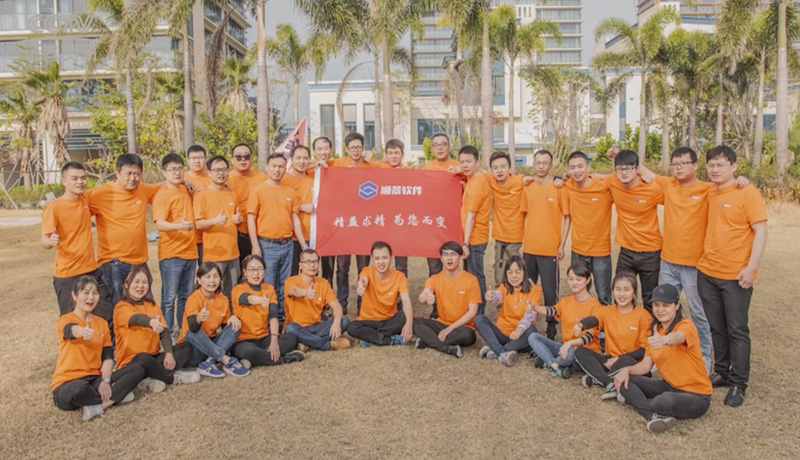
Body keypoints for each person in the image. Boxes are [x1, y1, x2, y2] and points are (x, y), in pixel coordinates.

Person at [635, 146, 749, 372]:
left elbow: (730, 186)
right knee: (663, 310)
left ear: (695, 166)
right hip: (668, 262)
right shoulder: (669, 185)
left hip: (695, 266)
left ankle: (703, 357)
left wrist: (742, 180)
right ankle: (661, 354)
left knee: (699, 314)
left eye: (683, 164)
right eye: (674, 164)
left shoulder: (709, 189)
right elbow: (644, 172)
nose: (678, 168)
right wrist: (621, 156)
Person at [696, 145, 767, 407]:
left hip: (735, 275)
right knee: (716, 327)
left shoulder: (747, 192)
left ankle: (738, 383)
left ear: (734, 167)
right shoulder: (710, 192)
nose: (714, 170)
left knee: (736, 329)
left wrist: (751, 267)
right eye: (711, 165)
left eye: (721, 165)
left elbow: (761, 231)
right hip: (707, 272)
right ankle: (722, 372)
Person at [613, 284, 712, 433]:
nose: (660, 309)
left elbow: (678, 337)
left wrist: (665, 340)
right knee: (626, 379)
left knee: (666, 400)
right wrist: (626, 370)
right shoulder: (655, 331)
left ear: (677, 306)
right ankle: (650, 412)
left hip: (696, 395)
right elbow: (645, 366)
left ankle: (638, 402)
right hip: (669, 386)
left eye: (666, 305)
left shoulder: (686, 326)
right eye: (656, 305)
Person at [51, 276, 142, 422]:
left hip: (94, 379)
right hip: (68, 383)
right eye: (86, 293)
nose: (91, 297)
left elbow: (108, 356)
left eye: (95, 293)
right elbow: (69, 330)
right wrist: (82, 331)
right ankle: (116, 395)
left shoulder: (102, 323)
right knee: (78, 389)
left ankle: (102, 403)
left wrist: (105, 381)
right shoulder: (65, 319)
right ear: (74, 296)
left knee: (137, 369)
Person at [41, 162, 113, 318]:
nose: (80, 182)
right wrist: (50, 241)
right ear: (63, 181)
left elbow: (111, 187)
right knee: (72, 321)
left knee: (107, 316)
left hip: (91, 270)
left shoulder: (85, 198)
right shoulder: (54, 207)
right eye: (74, 178)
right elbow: (44, 241)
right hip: (68, 275)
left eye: (83, 178)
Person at [112, 267, 200, 393]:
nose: (140, 286)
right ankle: (171, 377)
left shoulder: (152, 305)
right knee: (143, 357)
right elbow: (136, 318)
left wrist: (169, 353)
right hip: (132, 362)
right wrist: (151, 322)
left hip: (153, 357)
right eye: (136, 282)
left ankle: (150, 377)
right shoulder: (121, 307)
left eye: (144, 282)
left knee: (186, 347)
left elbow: (164, 332)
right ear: (126, 284)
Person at [89, 153, 161, 305]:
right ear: (117, 173)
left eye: (137, 174)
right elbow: (76, 202)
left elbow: (164, 186)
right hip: (114, 262)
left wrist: (185, 180)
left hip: (139, 261)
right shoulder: (101, 193)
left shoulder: (143, 189)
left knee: (145, 304)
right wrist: (53, 204)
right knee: (119, 305)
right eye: (128, 174)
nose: (133, 178)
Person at [248, 152, 306, 325]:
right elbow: (251, 218)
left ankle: (281, 321)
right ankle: (267, 322)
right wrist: (255, 245)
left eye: (281, 166)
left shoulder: (290, 192)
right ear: (267, 168)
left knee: (283, 285)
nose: (277, 170)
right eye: (274, 166)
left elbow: (295, 219)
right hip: (267, 244)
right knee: (268, 285)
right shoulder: (258, 190)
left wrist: (303, 244)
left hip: (287, 244)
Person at [573, 272, 651, 400]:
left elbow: (643, 350)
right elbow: (595, 319)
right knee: (580, 352)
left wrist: (619, 358)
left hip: (631, 361)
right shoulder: (608, 310)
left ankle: (598, 378)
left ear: (634, 292)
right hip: (610, 360)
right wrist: (582, 325)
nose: (622, 294)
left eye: (626, 290)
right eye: (618, 289)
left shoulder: (643, 316)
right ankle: (608, 382)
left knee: (625, 361)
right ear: (613, 291)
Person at [604, 149, 665, 310]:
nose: (624, 173)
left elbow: (674, 190)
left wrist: (649, 173)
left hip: (651, 252)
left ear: (637, 168)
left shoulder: (652, 188)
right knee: (620, 294)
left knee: (650, 297)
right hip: (626, 252)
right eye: (620, 169)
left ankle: (650, 325)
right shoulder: (613, 181)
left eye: (628, 168)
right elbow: (594, 178)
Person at [520, 149, 570, 340]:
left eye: (545, 163)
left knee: (550, 291)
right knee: (528, 289)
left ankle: (551, 327)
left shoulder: (559, 188)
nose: (541, 166)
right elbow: (526, 216)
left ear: (551, 165)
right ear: (533, 165)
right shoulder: (528, 187)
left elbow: (567, 217)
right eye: (538, 163)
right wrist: (523, 243)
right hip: (530, 249)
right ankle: (527, 325)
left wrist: (562, 244)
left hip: (549, 250)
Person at [523, 262, 602, 378]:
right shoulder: (567, 301)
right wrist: (535, 307)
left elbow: (589, 336)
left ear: (588, 280)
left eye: (578, 279)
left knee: (571, 354)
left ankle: (547, 361)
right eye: (571, 279)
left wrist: (570, 343)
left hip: (583, 352)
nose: (574, 283)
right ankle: (555, 365)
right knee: (533, 337)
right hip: (564, 348)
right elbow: (551, 311)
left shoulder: (595, 306)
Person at [176, 262, 250, 377]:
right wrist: (199, 319)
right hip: (193, 348)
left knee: (235, 325)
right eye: (208, 277)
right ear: (199, 280)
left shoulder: (223, 299)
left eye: (216, 276)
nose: (212, 281)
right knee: (193, 331)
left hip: (210, 346)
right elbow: (193, 328)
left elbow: (226, 329)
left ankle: (209, 362)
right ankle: (225, 360)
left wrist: (234, 318)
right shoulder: (193, 298)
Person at [230, 255, 306, 367]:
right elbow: (247, 298)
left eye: (260, 269)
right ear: (245, 272)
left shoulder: (269, 289)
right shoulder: (238, 289)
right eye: (252, 270)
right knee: (250, 351)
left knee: (291, 339)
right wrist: (261, 300)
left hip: (264, 337)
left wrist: (274, 341)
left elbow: (273, 316)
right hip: (243, 340)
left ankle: (256, 359)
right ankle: (284, 359)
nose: (256, 273)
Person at [153, 153, 198, 339]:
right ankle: (168, 334)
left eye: (180, 169)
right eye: (172, 170)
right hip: (171, 253)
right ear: (164, 173)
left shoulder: (185, 188)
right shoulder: (162, 195)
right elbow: (160, 224)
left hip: (190, 252)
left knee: (186, 296)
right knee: (169, 298)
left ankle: (184, 332)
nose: (177, 173)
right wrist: (180, 226)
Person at [562, 151, 614, 306]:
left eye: (580, 166)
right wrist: (562, 178)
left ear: (588, 167)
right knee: (579, 293)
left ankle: (605, 321)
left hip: (600, 252)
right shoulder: (568, 186)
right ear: (568, 170)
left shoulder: (604, 186)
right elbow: (556, 181)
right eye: (573, 168)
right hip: (578, 250)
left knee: (603, 294)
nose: (577, 171)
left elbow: (619, 179)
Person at [413, 241, 480, 358]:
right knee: (413, 322)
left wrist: (450, 328)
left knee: (469, 336)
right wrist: (426, 296)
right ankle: (445, 347)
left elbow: (472, 311)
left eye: (453, 254)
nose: (449, 258)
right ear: (441, 259)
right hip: (441, 323)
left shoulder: (471, 280)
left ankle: (429, 340)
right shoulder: (436, 279)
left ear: (460, 257)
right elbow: (422, 296)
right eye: (445, 254)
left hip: (461, 327)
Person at [476, 255, 542, 366]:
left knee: (532, 330)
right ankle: (502, 352)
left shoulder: (535, 290)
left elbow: (530, 315)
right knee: (479, 319)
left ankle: (495, 350)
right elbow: (498, 296)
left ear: (524, 272)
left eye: (517, 272)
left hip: (521, 336)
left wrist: (519, 330)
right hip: (502, 334)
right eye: (510, 272)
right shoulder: (504, 287)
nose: (513, 276)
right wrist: (491, 296)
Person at [332, 132, 372, 314]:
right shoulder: (337, 164)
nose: (356, 151)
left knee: (364, 268)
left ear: (363, 148)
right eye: (352, 148)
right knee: (342, 268)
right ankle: (342, 303)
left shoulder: (372, 166)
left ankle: (363, 304)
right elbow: (316, 166)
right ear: (346, 149)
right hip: (344, 227)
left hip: (364, 226)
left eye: (359, 147)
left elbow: (392, 168)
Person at [346, 241, 414, 346]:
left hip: (389, 320)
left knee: (403, 317)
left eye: (384, 258)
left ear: (391, 258)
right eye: (377, 258)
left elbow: (406, 300)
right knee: (352, 327)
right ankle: (389, 340)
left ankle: (370, 337)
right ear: (372, 259)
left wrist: (409, 324)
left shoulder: (399, 277)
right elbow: (363, 279)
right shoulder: (367, 271)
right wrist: (361, 284)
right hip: (368, 321)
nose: (381, 262)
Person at [193, 155, 242, 300]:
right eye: (217, 170)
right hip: (214, 254)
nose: (221, 173)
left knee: (232, 293)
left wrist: (239, 220)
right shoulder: (202, 195)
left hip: (233, 253)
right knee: (212, 292)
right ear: (209, 173)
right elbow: (198, 224)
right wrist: (215, 221)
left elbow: (237, 218)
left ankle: (230, 315)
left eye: (224, 170)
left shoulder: (231, 194)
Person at [284, 249, 351, 351]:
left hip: (317, 326)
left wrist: (337, 322)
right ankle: (326, 344)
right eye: (308, 262)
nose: (312, 265)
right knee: (290, 328)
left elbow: (336, 305)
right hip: (298, 327)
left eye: (315, 261)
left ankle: (307, 342)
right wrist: (305, 292)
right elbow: (293, 291)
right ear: (300, 265)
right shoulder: (291, 281)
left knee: (344, 320)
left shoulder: (323, 283)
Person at [458, 145, 491, 314]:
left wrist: (465, 243)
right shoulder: (474, 178)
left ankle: (479, 312)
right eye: (462, 162)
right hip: (471, 237)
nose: (465, 165)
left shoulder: (478, 183)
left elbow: (471, 217)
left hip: (474, 239)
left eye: (468, 161)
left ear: (477, 162)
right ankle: (472, 309)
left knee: (476, 276)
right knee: (470, 275)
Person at [422, 133, 460, 277]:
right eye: (436, 145)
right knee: (434, 266)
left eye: (443, 144)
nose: (440, 148)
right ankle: (435, 291)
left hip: (452, 223)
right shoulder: (427, 168)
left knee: (452, 262)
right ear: (432, 149)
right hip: (432, 222)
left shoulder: (458, 167)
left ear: (449, 147)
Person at [486, 151, 525, 288]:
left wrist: (557, 178)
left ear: (510, 168)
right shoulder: (491, 180)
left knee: (519, 276)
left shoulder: (520, 181)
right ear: (491, 170)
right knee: (500, 278)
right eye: (495, 168)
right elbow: (472, 171)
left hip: (517, 239)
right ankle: (501, 301)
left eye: (503, 167)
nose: (499, 170)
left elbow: (539, 179)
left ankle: (520, 301)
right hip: (500, 238)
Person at [227, 143, 265, 267]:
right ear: (232, 160)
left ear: (251, 158)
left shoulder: (262, 178)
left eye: (246, 156)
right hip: (237, 233)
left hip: (260, 234)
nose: (243, 160)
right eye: (238, 157)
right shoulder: (226, 179)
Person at [376, 139, 409, 276]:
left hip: (401, 223)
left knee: (401, 262)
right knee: (382, 258)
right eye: (390, 153)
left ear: (402, 154)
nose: (393, 156)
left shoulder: (409, 172)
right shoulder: (378, 168)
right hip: (382, 222)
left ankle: (402, 287)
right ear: (386, 155)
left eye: (396, 153)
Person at [281, 145, 315, 276]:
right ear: (291, 159)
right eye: (298, 158)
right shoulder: (283, 179)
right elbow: (280, 205)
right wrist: (301, 207)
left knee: (311, 273)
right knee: (293, 274)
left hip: (313, 235)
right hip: (292, 237)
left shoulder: (313, 178)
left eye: (305, 158)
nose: (302, 161)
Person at [309, 136, 336, 285]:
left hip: (329, 227)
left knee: (328, 267)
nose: (323, 152)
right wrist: (314, 164)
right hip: (310, 227)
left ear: (330, 150)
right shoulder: (307, 169)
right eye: (319, 149)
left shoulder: (336, 165)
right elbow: (293, 166)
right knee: (311, 266)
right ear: (314, 151)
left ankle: (327, 294)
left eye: (326, 148)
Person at [184, 145, 211, 263]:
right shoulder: (181, 178)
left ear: (205, 159)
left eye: (200, 158)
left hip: (207, 235)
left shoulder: (212, 177)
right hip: (187, 235)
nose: (197, 161)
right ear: (188, 160)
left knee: (207, 270)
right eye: (194, 158)